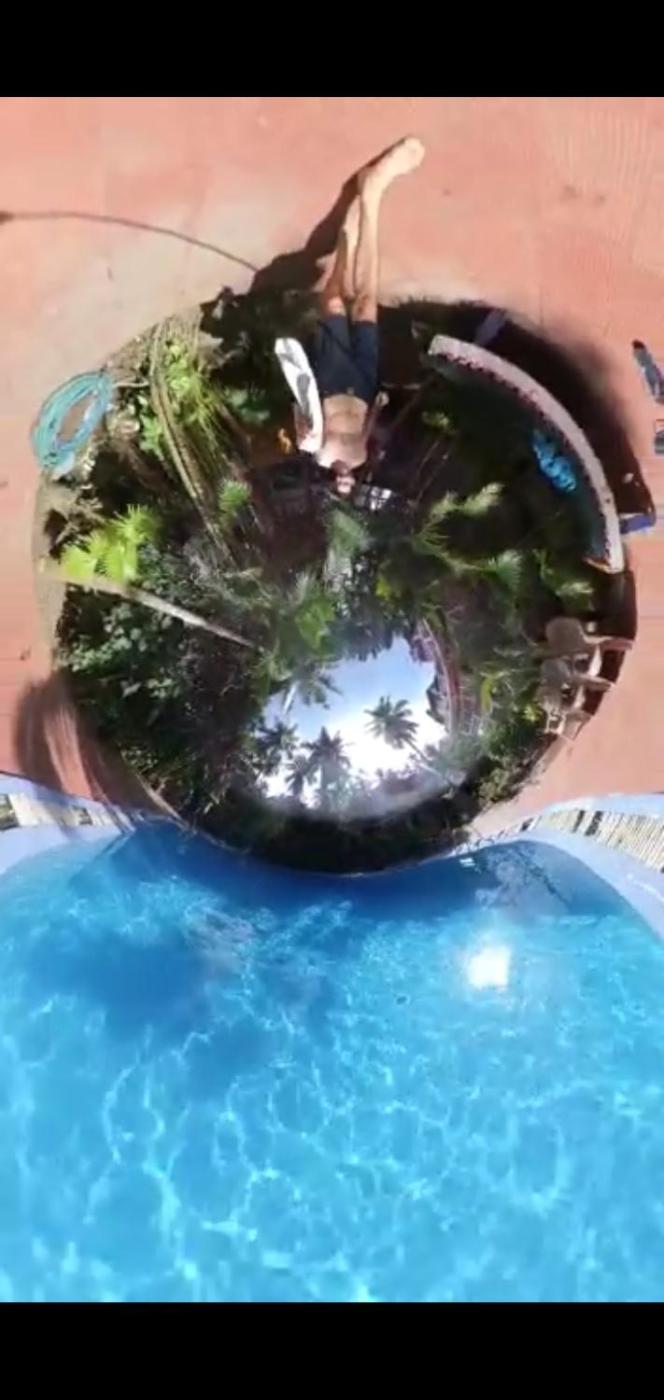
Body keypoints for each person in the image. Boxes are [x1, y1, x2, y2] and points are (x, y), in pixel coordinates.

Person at [275, 136, 425, 496]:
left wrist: (302, 429)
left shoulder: (318, 453)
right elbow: (368, 429)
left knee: (333, 303)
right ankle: (373, 195)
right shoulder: (359, 456)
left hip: (331, 379)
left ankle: (346, 243)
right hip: (362, 383)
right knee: (367, 304)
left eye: (340, 483)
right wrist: (379, 406)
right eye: (349, 483)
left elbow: (301, 407)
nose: (345, 478)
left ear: (332, 481)